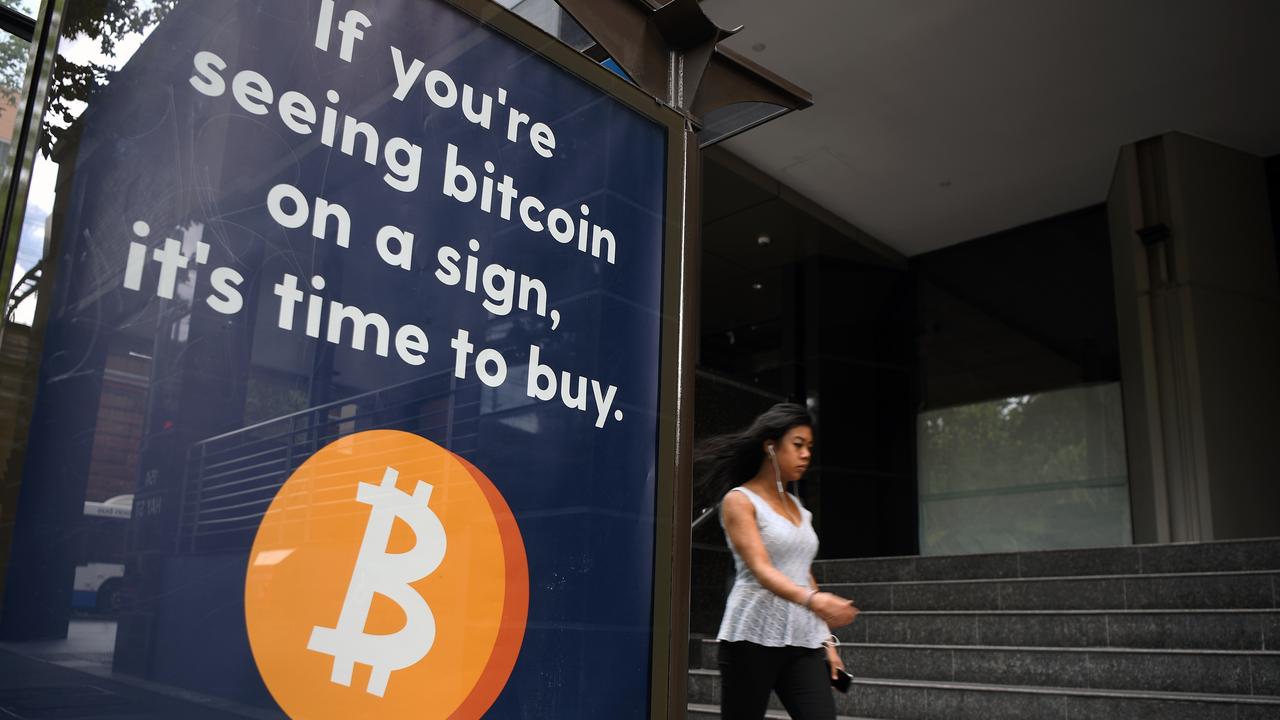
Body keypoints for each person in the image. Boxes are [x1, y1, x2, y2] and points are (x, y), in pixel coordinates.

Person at [698, 403, 859, 720]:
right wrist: (815, 601)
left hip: (802, 638)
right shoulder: (739, 500)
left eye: (809, 447)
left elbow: (804, 573)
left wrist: (828, 644)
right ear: (770, 446)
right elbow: (761, 569)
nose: (806, 455)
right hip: (751, 636)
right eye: (797, 445)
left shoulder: (799, 508)